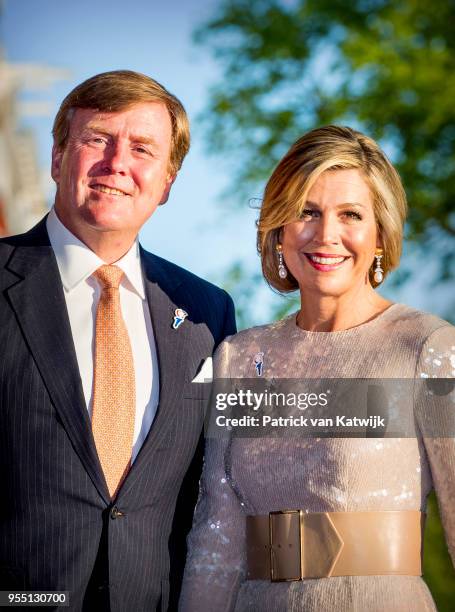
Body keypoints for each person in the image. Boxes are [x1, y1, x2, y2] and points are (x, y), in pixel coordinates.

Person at [179, 125, 455, 611]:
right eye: (307, 212)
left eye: (351, 214)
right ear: (279, 228)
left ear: (380, 234)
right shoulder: (240, 357)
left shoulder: (428, 347)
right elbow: (216, 536)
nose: (327, 235)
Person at [0, 70, 236, 612]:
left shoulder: (207, 312)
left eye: (142, 148)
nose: (117, 164)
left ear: (168, 183)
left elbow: (216, 487)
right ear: (58, 157)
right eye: (97, 139)